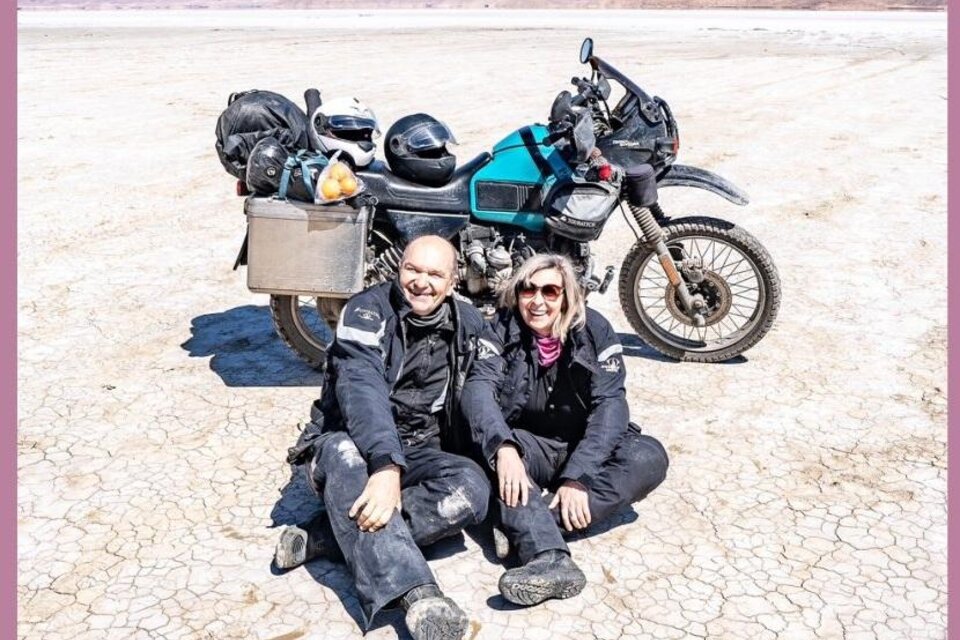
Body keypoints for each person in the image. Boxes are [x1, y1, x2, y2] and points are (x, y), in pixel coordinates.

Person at [277, 235, 494, 640]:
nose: (422, 282)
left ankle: (329, 534)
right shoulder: (365, 311)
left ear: (452, 283)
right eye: (413, 269)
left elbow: (495, 379)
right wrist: (385, 464)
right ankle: (420, 596)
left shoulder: (469, 321)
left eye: (435, 274)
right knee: (345, 455)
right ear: (399, 269)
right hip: (350, 440)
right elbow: (361, 389)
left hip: (420, 446)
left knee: (471, 487)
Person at [462, 253, 669, 606]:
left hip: (583, 443)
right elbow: (477, 389)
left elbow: (611, 406)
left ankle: (524, 525)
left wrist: (578, 477)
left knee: (648, 456)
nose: (537, 301)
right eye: (528, 290)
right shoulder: (500, 328)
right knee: (500, 469)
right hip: (528, 445)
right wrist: (504, 448)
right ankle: (550, 560)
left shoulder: (596, 330)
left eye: (550, 291)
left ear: (568, 297)